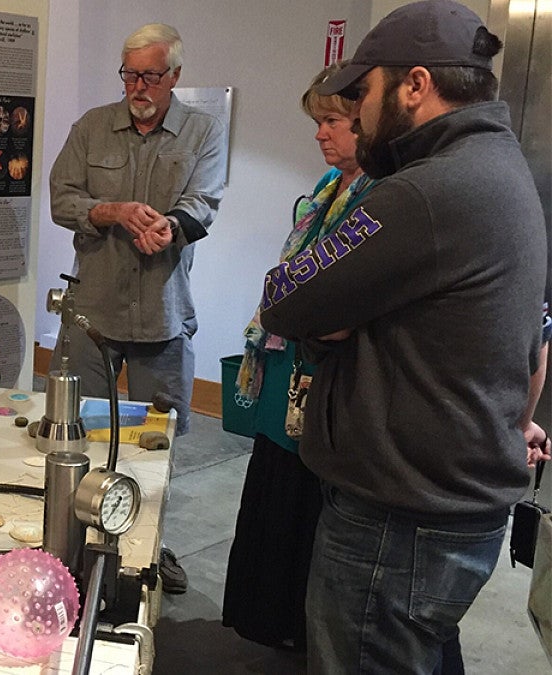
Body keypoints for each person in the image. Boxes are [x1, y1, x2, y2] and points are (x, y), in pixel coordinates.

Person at [258, 1, 547, 672]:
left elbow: (283, 298)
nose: (356, 111)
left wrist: (339, 319)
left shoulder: (426, 191)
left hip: (399, 521)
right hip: (451, 507)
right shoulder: (500, 167)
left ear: (415, 85)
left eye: (365, 91)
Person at [48, 22, 225, 596]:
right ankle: (70, 539)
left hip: (162, 314)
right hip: (92, 315)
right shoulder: (90, 127)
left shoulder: (203, 130)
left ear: (175, 75)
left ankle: (149, 545)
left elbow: (205, 202)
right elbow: (61, 198)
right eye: (129, 74)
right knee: (78, 432)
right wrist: (113, 212)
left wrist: (168, 226)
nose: (138, 86)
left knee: (156, 442)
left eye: (150, 74)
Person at [222, 61, 374, 652]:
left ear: (368, 124)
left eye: (333, 121)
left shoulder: (381, 197)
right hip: (287, 373)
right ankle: (271, 627)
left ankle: (298, 633)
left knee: (306, 513)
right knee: (274, 498)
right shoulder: (325, 190)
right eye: (319, 121)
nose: (320, 134)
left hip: (326, 382)